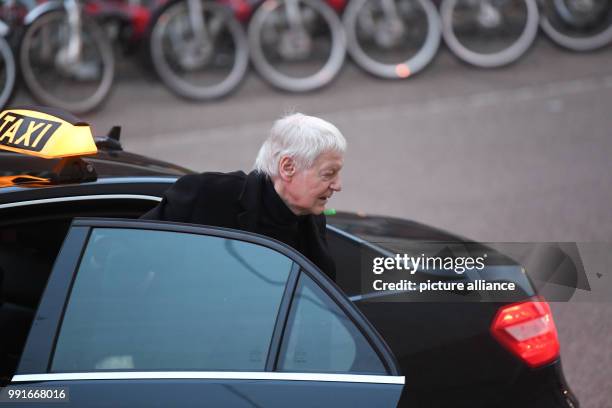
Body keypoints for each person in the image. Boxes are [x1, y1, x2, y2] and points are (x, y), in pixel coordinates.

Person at [141, 113, 345, 281]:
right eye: (329, 174)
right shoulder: (206, 195)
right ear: (288, 167)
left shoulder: (313, 219)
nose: (338, 185)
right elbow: (135, 251)